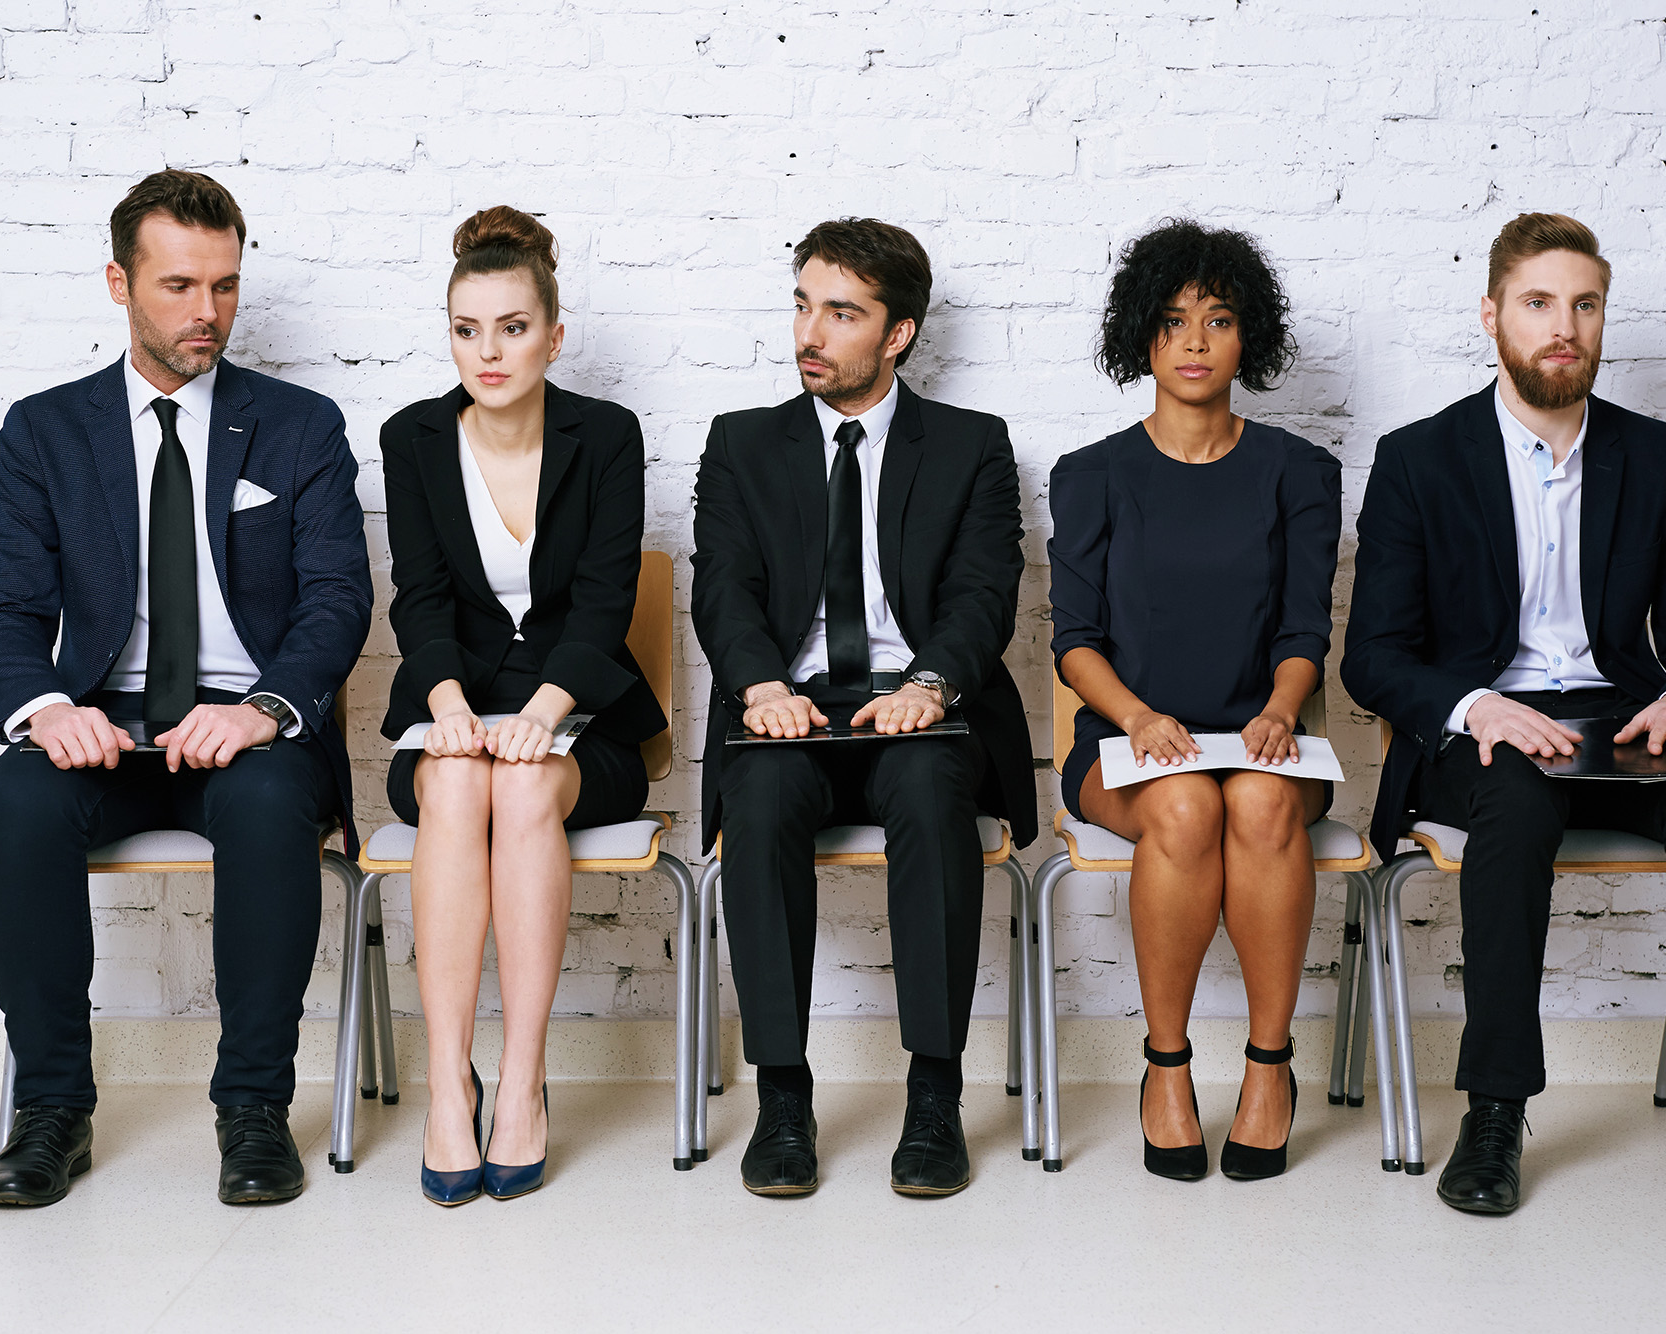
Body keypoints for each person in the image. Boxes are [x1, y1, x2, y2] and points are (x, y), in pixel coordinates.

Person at [1341, 212, 1666, 1224]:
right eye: (1539, 303)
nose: (1564, 326)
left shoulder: (1657, 458)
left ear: (1602, 316)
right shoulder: (1418, 459)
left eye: (1583, 304)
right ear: (1492, 315)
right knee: (1514, 806)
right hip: (1481, 728)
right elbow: (1372, 655)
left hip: (1620, 718)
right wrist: (1477, 709)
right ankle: (1494, 1111)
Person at [0, 170, 373, 1207]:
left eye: (227, 286)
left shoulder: (297, 424)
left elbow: (335, 600)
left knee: (269, 800)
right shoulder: (44, 431)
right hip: (102, 725)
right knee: (14, 802)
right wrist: (48, 709)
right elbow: (7, 610)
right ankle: (50, 1110)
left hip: (246, 728)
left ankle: (252, 1110)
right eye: (181, 286)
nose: (209, 313)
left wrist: (261, 709)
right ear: (120, 282)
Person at [691, 218, 1035, 1199]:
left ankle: (933, 1095)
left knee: (931, 795)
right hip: (782, 703)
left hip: (916, 702)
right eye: (804, 303)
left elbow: (982, 594)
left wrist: (927, 686)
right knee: (757, 806)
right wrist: (762, 687)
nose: (811, 330)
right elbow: (722, 590)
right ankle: (783, 1095)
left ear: (896, 333)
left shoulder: (970, 445)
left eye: (841, 312)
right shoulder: (741, 442)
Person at [379, 206, 666, 1206]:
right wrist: (449, 703)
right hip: (452, 716)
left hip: (584, 723)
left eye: (510, 327)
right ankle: (449, 1087)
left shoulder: (605, 435)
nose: (487, 351)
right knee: (458, 783)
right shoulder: (411, 438)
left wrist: (544, 709)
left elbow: (602, 602)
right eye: (466, 328)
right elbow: (416, 597)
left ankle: (522, 1081)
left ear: (551, 328)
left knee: (526, 779)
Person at [1049, 220, 1340, 1182]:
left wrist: (1280, 711)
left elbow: (1305, 634)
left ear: (1246, 336)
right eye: (1174, 323)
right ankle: (1165, 1068)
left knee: (1251, 798)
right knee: (1184, 804)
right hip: (1128, 744)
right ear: (1144, 337)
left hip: (1263, 738)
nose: (1196, 342)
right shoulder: (1091, 475)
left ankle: (1269, 1068)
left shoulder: (1300, 472)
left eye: (1217, 321)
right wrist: (1135, 718)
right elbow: (1075, 643)